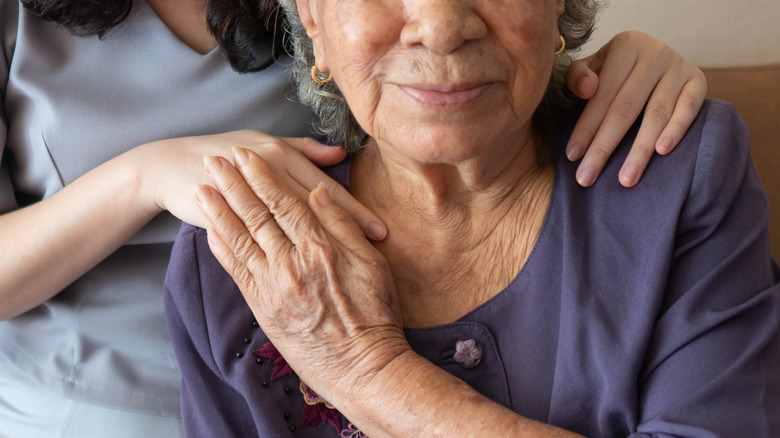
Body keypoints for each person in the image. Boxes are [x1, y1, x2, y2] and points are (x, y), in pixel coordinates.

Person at [0, 0, 707, 436]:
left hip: (315, 364)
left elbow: (472, 83)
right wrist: (144, 178)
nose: (435, 28)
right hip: (95, 408)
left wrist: (631, 63)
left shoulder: (350, 25)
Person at [165, 0, 780, 436]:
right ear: (313, 17)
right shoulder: (232, 258)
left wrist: (366, 372)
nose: (440, 26)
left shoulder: (674, 173)